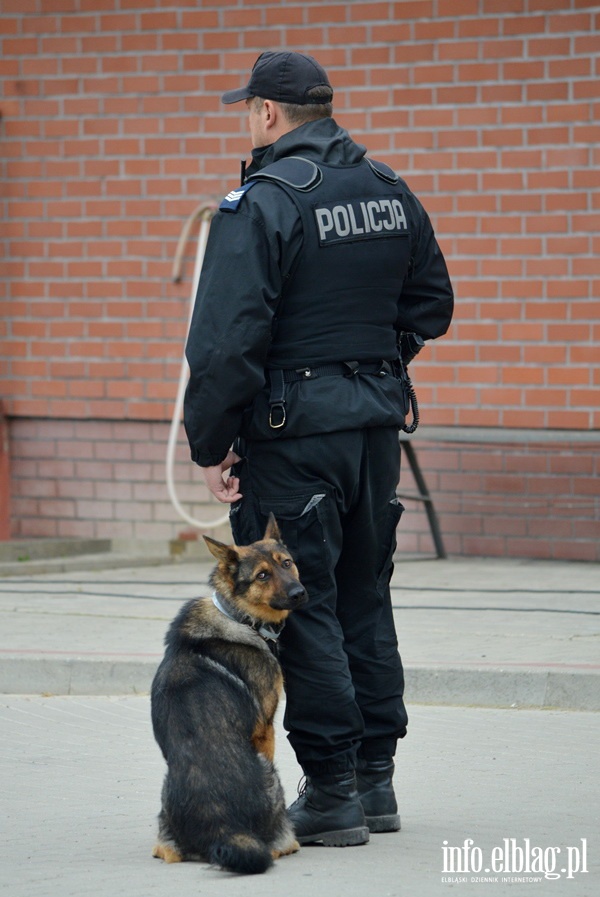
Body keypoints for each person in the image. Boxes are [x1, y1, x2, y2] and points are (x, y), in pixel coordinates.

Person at [184, 50, 454, 847]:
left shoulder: (261, 203)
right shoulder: (390, 190)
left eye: (249, 109)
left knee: (307, 609)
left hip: (292, 439)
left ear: (268, 114)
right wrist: (372, 365)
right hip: (374, 433)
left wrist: (211, 443)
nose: (247, 121)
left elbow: (228, 343)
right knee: (368, 595)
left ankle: (331, 789)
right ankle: (377, 783)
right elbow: (433, 304)